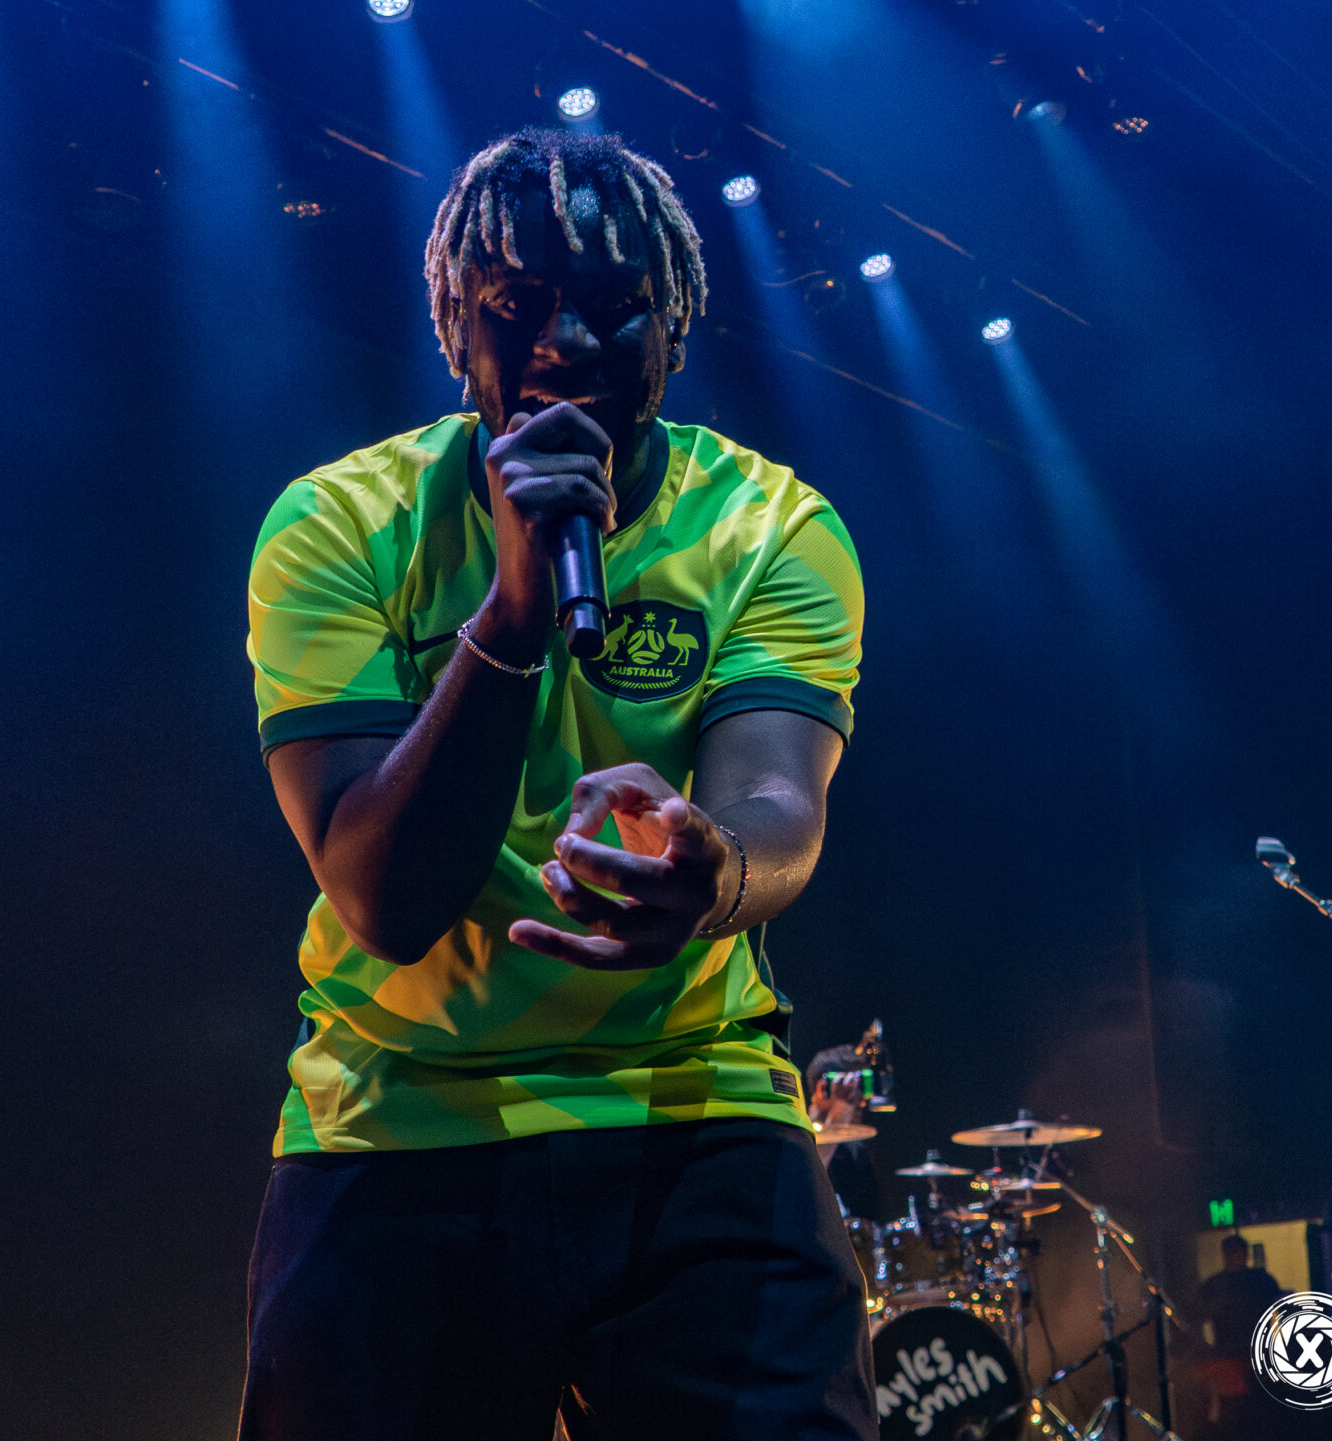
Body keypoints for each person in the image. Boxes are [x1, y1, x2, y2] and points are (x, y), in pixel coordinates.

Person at [239, 127, 871, 1441]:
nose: (564, 342)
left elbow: (779, 803)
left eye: (612, 305)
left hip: (691, 1106)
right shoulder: (338, 526)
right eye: (514, 305)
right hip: (400, 1121)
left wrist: (715, 870)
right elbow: (383, 894)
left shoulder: (770, 525)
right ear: (452, 326)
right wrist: (513, 613)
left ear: (675, 320)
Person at [1194, 1234, 1288, 1441]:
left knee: (1235, 1418)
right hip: (1251, 1359)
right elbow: (1281, 1311)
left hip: (1231, 1361)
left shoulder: (1214, 1284)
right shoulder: (1261, 1280)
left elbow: (1200, 1322)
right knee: (1258, 1416)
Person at [803, 1042, 883, 1222]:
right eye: (851, 1088)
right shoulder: (800, 1139)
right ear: (822, 1088)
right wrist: (838, 1119)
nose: (861, 1100)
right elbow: (803, 1189)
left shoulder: (856, 1147)